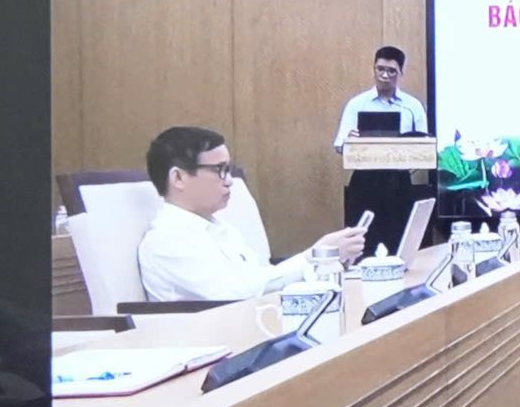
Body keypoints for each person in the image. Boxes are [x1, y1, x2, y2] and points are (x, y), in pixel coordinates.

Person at [137, 126, 366, 301]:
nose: (229, 181)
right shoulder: (167, 240)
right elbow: (236, 294)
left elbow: (262, 281)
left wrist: (326, 265)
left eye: (228, 170)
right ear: (178, 178)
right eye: (219, 170)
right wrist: (313, 257)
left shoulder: (222, 228)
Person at [335, 46, 427, 257]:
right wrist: (351, 141)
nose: (385, 75)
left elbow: (425, 145)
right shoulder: (357, 104)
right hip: (365, 182)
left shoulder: (412, 106)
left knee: (398, 239)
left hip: (399, 182)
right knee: (363, 243)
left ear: (401, 73)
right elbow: (340, 145)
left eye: (391, 71)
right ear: (374, 69)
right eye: (380, 69)